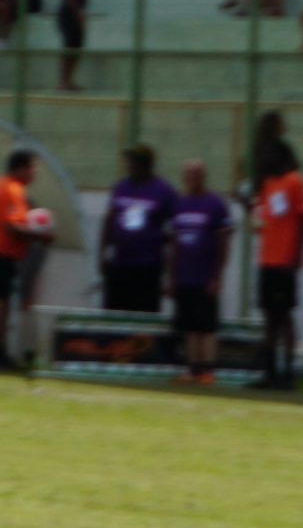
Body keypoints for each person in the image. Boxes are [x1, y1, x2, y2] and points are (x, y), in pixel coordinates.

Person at [0, 149, 53, 372]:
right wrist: (40, 236)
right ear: (20, 168)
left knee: (4, 305)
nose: (34, 172)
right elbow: (11, 226)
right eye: (32, 167)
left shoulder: (7, 187)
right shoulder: (11, 189)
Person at [166, 159, 233, 385]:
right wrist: (172, 277)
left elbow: (223, 241)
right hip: (184, 275)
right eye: (187, 174)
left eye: (195, 174)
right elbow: (174, 244)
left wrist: (217, 276)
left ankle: (208, 370)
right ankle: (192, 369)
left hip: (205, 276)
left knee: (206, 326)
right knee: (190, 326)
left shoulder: (215, 204)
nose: (190, 178)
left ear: (203, 176)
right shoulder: (180, 204)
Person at [252, 138, 303, 391]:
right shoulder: (268, 184)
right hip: (267, 259)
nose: (264, 160)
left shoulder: (295, 181)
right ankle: (270, 372)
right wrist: (248, 208)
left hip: (285, 261)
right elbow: (264, 221)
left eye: (268, 155)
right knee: (269, 317)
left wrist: (296, 256)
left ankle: (289, 372)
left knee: (284, 316)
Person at [98, 145, 177, 315]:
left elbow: (175, 228)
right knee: (115, 312)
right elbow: (109, 220)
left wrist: (171, 270)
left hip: (147, 267)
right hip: (120, 263)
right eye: (129, 162)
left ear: (145, 165)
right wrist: (103, 253)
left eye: (133, 162)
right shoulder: (121, 187)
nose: (129, 166)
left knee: (144, 314)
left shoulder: (164, 191)